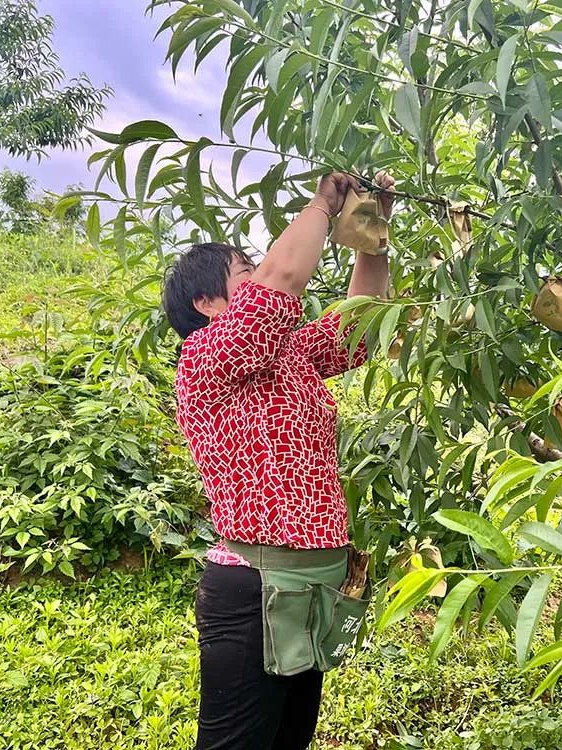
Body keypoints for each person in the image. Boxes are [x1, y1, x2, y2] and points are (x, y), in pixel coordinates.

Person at [161, 171, 395, 750]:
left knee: (290, 739)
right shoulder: (204, 360)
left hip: (311, 585)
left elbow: (363, 326)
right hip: (254, 588)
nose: (260, 277)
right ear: (206, 303)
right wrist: (323, 205)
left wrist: (371, 229)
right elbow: (281, 282)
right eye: (245, 272)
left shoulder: (287, 356)